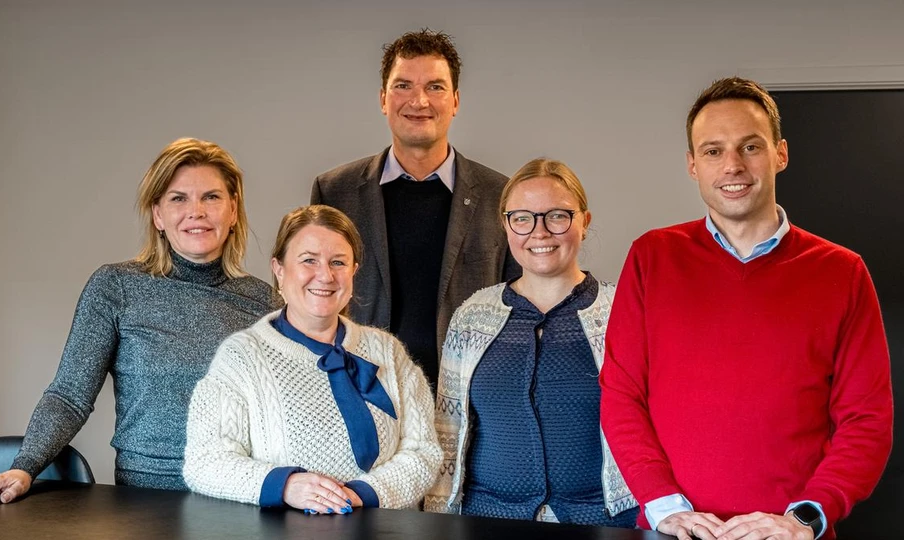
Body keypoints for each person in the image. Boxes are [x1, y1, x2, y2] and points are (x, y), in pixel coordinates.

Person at [599, 77, 893, 540]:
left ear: (781, 154)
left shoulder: (843, 271)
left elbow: (867, 420)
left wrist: (805, 517)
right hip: (674, 530)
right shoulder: (651, 257)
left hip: (790, 535)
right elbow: (621, 395)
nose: (732, 165)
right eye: (713, 151)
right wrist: (662, 504)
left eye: (750, 147)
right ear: (693, 165)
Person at [0, 138, 281, 507]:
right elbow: (70, 396)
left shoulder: (266, 303)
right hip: (144, 500)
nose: (196, 212)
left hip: (239, 499)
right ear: (158, 215)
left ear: (233, 210)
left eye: (211, 197)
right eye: (178, 198)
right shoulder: (116, 286)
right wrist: (24, 467)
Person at [182, 205, 441, 513]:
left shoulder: (389, 352)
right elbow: (204, 462)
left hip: (382, 528)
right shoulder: (241, 357)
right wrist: (286, 485)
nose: (325, 275)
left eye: (338, 262)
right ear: (279, 269)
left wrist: (362, 493)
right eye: (309, 260)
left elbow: (424, 451)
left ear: (354, 271)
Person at [424, 158, 638, 527]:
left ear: (584, 222)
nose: (539, 233)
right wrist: (439, 521)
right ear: (506, 225)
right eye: (522, 218)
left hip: (605, 521)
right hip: (486, 521)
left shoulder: (625, 313)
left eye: (557, 216)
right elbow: (448, 430)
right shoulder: (472, 316)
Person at [311, 29, 520, 387]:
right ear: (383, 99)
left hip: (470, 396)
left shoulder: (500, 196)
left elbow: (520, 307)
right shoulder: (335, 192)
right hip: (362, 392)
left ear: (455, 101)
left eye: (435, 87)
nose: (419, 101)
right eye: (403, 85)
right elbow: (312, 302)